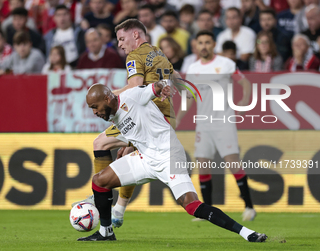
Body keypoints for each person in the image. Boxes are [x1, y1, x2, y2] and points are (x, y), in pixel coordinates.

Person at [76, 81, 267, 242]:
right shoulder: (114, 114)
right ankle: (106, 232)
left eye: (95, 107)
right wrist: (129, 146)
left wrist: (161, 87)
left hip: (169, 156)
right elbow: (140, 128)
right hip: (145, 159)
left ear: (107, 99)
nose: (94, 112)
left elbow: (154, 88)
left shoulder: (132, 96)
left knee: (191, 206)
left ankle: (247, 233)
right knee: (99, 181)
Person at [72, 19, 186, 228]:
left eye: (122, 39)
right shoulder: (158, 52)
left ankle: (100, 195)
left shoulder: (134, 56)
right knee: (128, 155)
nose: (120, 45)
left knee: (100, 144)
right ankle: (119, 209)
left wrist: (108, 95)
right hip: (166, 116)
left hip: (146, 116)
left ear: (135, 35)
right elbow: (176, 77)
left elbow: (135, 87)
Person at [176, 30, 256, 222]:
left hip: (224, 122)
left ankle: (249, 207)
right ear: (196, 45)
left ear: (213, 45)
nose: (204, 46)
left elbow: (245, 84)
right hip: (203, 124)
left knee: (233, 162)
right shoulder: (194, 68)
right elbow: (190, 96)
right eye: (200, 42)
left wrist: (244, 101)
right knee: (203, 166)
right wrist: (177, 118)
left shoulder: (225, 64)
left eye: (207, 42)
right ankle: (206, 212)